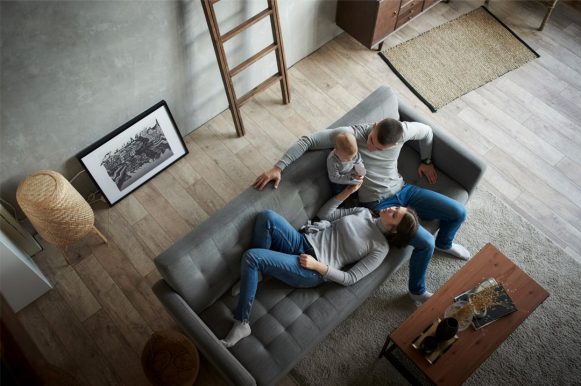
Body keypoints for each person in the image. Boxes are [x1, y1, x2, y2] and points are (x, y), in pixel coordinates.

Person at [253, 118, 470, 305]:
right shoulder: (351, 135)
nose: (373, 148)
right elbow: (308, 140)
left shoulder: (403, 131)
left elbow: (427, 132)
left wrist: (426, 159)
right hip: (380, 205)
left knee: (458, 212)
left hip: (405, 192)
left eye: (380, 148)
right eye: (373, 141)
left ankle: (446, 243)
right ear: (374, 126)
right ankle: (417, 290)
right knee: (425, 243)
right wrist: (277, 167)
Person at [221, 183, 419, 347]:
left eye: (394, 214)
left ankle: (242, 322)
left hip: (311, 269)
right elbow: (324, 215)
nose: (391, 208)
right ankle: (258, 274)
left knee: (252, 257)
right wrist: (348, 192)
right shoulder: (363, 212)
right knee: (267, 217)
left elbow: (351, 278)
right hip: (302, 241)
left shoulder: (380, 248)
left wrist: (318, 267)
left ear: (393, 231)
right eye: (396, 208)